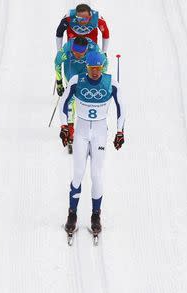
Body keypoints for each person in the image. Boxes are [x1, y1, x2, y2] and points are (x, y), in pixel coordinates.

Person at [58, 51, 125, 235]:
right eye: (91, 68)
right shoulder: (76, 81)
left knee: (96, 175)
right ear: (86, 67)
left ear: (103, 67)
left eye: (98, 68)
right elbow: (63, 104)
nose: (95, 72)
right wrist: (64, 127)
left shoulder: (111, 82)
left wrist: (120, 131)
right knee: (78, 173)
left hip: (99, 133)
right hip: (80, 132)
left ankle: (96, 215)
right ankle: (72, 214)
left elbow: (121, 107)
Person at [54, 36, 107, 153]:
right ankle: (70, 130)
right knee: (70, 101)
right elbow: (57, 62)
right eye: (74, 53)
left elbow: (105, 61)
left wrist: (101, 78)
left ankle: (94, 129)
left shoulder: (93, 49)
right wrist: (59, 82)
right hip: (71, 71)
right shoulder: (67, 48)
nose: (77, 55)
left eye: (80, 54)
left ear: (86, 50)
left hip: (86, 71)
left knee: (88, 100)